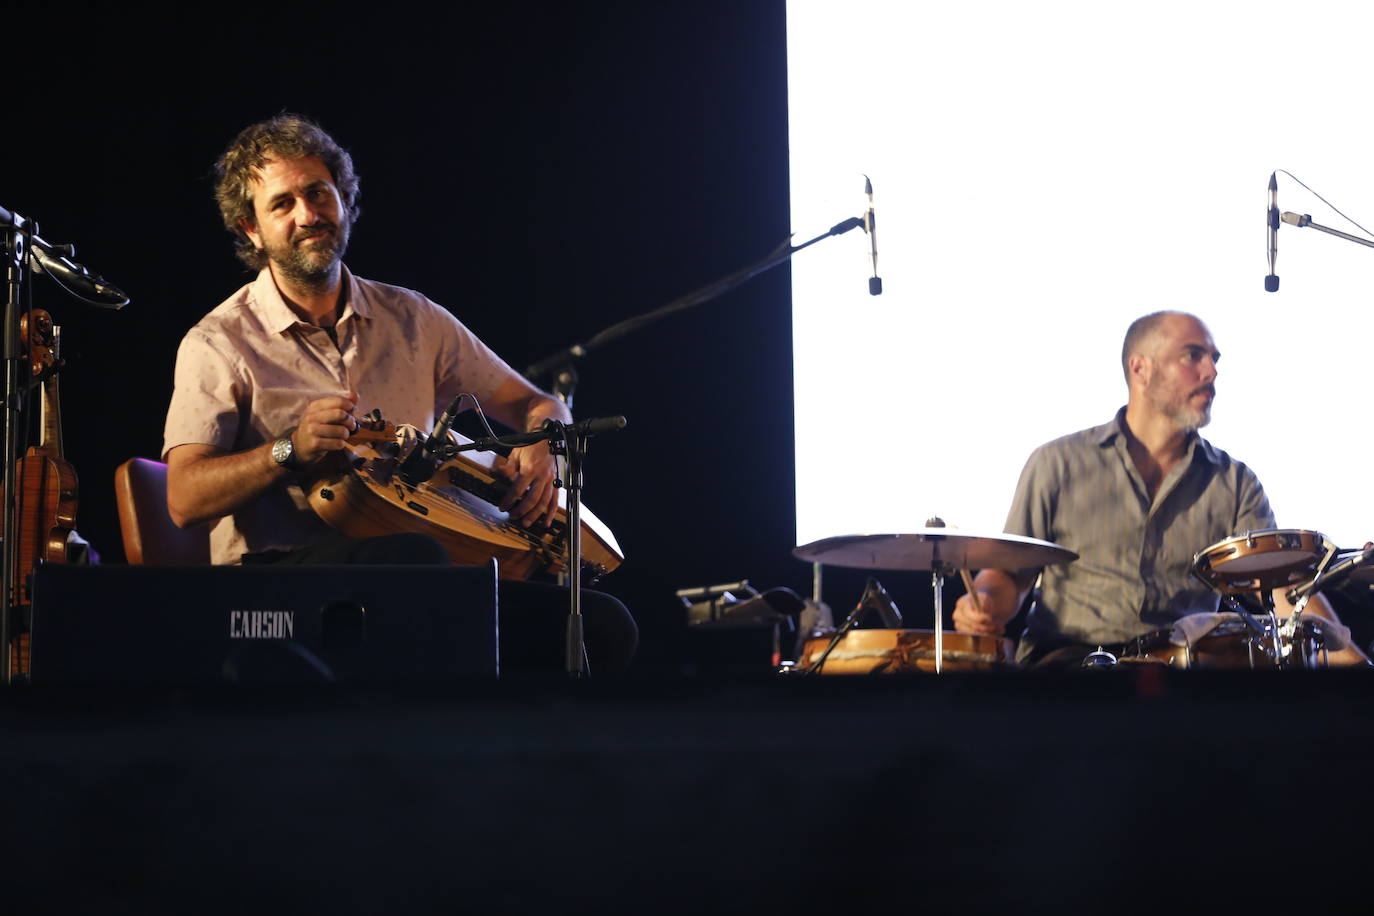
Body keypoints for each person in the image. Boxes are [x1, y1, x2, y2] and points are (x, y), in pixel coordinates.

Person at [162, 113, 636, 675]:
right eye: (282, 204)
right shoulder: (218, 342)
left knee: (603, 626)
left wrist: (544, 444)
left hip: (422, 571)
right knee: (415, 563)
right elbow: (184, 499)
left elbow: (537, 403)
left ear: (344, 200)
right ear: (251, 230)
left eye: (319, 193)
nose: (308, 215)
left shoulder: (412, 318)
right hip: (277, 588)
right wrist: (288, 450)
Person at [952, 310, 1368, 669]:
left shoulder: (1236, 482)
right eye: (1193, 355)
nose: (1211, 371)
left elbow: (1283, 587)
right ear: (1141, 369)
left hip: (1180, 673)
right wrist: (983, 603)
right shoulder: (1057, 462)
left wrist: (1353, 661)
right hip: (1067, 666)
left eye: (1214, 359)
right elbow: (1010, 575)